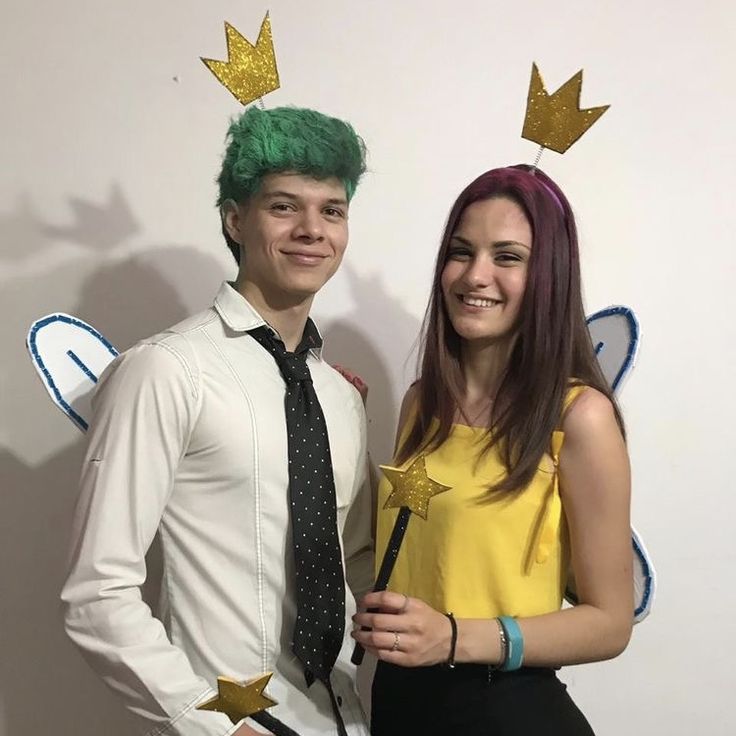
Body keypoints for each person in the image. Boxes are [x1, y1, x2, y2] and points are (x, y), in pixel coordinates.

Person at [61, 106, 374, 736]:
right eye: (284, 206)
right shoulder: (165, 369)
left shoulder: (341, 398)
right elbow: (97, 592)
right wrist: (214, 726)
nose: (312, 229)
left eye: (331, 210)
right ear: (235, 219)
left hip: (343, 720)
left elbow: (357, 567)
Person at [352, 165, 633, 735]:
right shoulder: (419, 403)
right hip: (401, 706)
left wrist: (453, 637)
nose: (475, 275)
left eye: (507, 257)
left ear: (548, 274)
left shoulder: (581, 418)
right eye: (461, 251)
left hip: (508, 712)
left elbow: (610, 624)